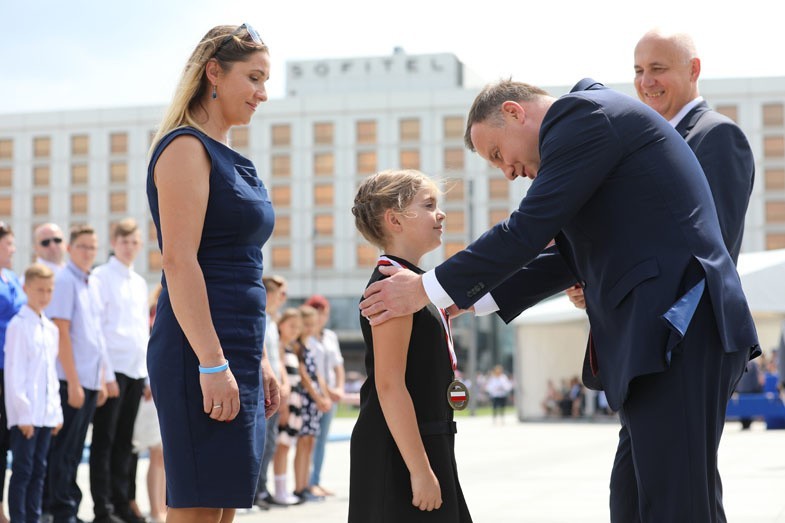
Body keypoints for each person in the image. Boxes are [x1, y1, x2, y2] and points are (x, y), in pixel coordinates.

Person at [359, 80, 759, 522]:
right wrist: (472, 299)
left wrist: (425, 287)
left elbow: (528, 228)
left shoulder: (582, 117)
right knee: (633, 502)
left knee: (676, 506)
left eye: (497, 154)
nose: (508, 172)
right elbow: (567, 252)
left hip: (678, 329)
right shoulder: (590, 134)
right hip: (655, 340)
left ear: (514, 113)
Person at [145, 23, 279, 523]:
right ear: (214, 73)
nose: (263, 94)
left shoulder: (235, 159)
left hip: (236, 347)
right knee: (200, 507)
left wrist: (259, 358)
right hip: (198, 351)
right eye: (255, 78)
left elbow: (243, 266)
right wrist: (211, 362)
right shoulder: (185, 148)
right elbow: (179, 262)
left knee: (223, 506)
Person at [566, 29, 754, 306]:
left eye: (658, 68)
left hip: (683, 334)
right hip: (640, 328)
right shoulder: (639, 146)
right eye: (639, 70)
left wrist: (611, 276)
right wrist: (592, 279)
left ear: (694, 70)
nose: (646, 82)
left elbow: (709, 251)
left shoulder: (717, 135)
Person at [349, 169, 473, 522]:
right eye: (429, 205)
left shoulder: (414, 285)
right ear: (395, 220)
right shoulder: (392, 287)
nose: (441, 214)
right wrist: (419, 470)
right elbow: (389, 386)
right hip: (401, 449)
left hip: (423, 439)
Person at [44, 224, 116, 523]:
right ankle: (59, 510)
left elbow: (96, 336)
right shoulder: (64, 281)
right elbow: (61, 331)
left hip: (88, 379)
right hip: (69, 379)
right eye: (82, 246)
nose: (88, 252)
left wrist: (99, 379)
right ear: (71, 249)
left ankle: (67, 507)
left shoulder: (92, 283)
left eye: (92, 247)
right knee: (62, 451)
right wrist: (73, 382)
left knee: (74, 451)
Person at [89, 218, 149, 523]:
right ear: (114, 243)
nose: (129, 247)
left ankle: (123, 502)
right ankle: (104, 508)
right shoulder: (101, 276)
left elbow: (143, 330)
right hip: (113, 370)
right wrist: (106, 374)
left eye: (134, 241)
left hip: (136, 370)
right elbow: (97, 328)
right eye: (123, 241)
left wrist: (148, 374)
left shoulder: (139, 282)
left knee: (128, 441)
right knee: (105, 440)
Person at [3, 263, 62, 523]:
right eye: (39, 290)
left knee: (40, 470)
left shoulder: (51, 328)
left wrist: (56, 412)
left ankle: (34, 518)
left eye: (49, 290)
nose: (45, 296)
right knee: (23, 470)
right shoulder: (18, 325)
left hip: (45, 414)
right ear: (26, 289)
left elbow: (51, 376)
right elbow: (14, 373)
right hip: (26, 416)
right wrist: (23, 413)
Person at [254, 275, 290, 510]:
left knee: (270, 443)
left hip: (275, 387)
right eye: (279, 294)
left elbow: (278, 357)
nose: (282, 299)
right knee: (260, 442)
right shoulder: (259, 320)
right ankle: (254, 492)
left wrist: (284, 383)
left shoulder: (272, 321)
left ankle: (262, 489)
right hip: (262, 388)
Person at [304, 293, 345, 498]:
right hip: (313, 395)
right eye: (317, 313)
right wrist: (326, 392)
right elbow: (312, 371)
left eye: (324, 313)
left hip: (330, 397)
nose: (321, 317)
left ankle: (316, 480)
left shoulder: (330, 336)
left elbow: (338, 365)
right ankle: (306, 483)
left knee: (322, 441)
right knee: (309, 440)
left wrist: (339, 388)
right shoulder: (305, 337)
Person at [0, 223, 28, 523]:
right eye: (8, 243)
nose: (13, 249)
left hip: (14, 370)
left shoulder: (12, 279)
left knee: (9, 442)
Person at [292, 305, 331, 503]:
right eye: (305, 325)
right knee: (302, 442)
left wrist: (325, 397)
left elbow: (318, 376)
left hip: (314, 401)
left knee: (309, 443)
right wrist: (318, 397)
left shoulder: (310, 345)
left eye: (312, 325)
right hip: (305, 399)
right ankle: (299, 487)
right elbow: (304, 376)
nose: (309, 328)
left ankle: (306, 484)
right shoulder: (298, 346)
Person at [271, 308, 304, 506]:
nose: (295, 330)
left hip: (295, 402)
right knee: (281, 446)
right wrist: (283, 405)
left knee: (286, 445)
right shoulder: (279, 347)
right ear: (281, 324)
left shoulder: (292, 348)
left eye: (297, 327)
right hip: (286, 402)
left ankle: (282, 489)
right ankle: (279, 491)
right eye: (291, 326)